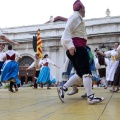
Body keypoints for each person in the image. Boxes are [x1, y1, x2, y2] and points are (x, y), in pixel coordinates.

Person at [57, 0, 104, 104]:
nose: (85, 11)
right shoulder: (76, 16)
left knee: (79, 74)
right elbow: (66, 33)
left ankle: (63, 88)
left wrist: (71, 47)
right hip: (78, 48)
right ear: (82, 8)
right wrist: (71, 46)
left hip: (76, 48)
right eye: (84, 9)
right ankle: (90, 97)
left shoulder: (76, 17)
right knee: (86, 72)